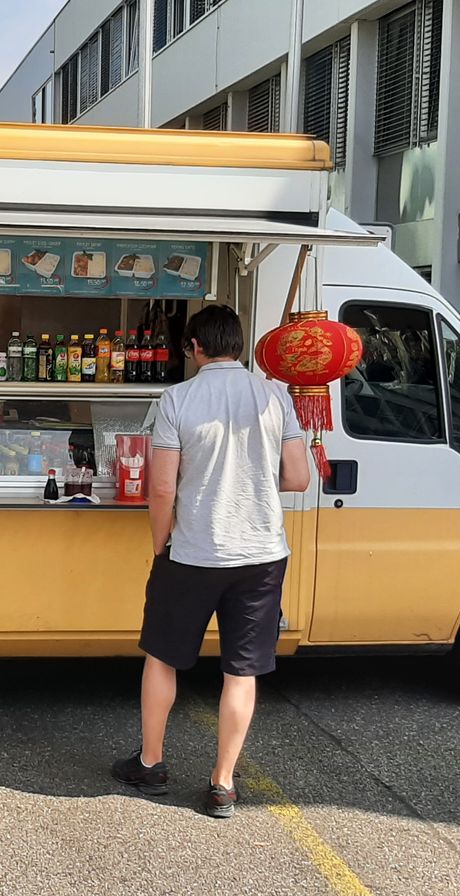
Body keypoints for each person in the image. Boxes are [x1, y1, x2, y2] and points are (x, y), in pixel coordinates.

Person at [111, 304, 311, 818]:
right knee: (241, 671)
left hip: (192, 552)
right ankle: (222, 783)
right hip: (262, 554)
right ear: (239, 346)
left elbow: (161, 487)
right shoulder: (275, 396)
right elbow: (298, 478)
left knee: (163, 656)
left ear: (193, 348)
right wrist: (254, 483)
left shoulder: (178, 398)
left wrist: (162, 542)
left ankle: (151, 763)